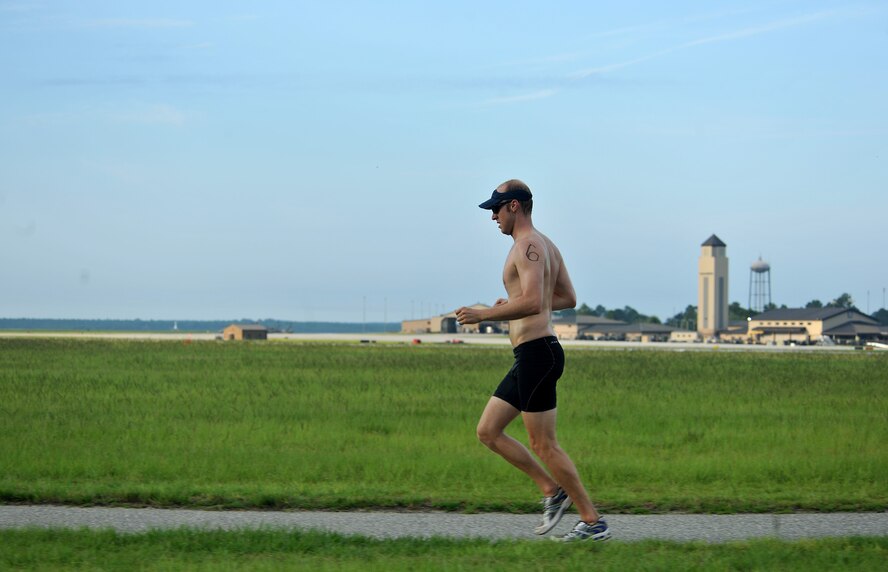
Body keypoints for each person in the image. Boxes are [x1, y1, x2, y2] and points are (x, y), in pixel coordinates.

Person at [455, 179, 611, 542]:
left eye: (496, 207)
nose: (492, 215)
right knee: (488, 431)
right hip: (531, 354)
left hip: (538, 354)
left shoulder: (527, 246)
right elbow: (566, 297)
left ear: (514, 206)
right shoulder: (545, 244)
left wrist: (485, 315)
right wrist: (509, 305)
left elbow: (534, 301)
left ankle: (592, 522)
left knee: (545, 445)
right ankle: (551, 491)